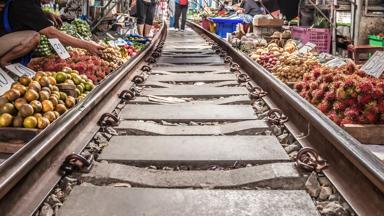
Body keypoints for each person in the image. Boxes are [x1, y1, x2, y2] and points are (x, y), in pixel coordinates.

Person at [0, 0, 103, 67]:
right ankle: (4, 63)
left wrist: (46, 15)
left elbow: (24, 16)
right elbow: (51, 33)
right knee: (34, 37)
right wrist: (87, 45)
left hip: (6, 40)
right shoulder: (25, 3)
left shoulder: (32, 4)